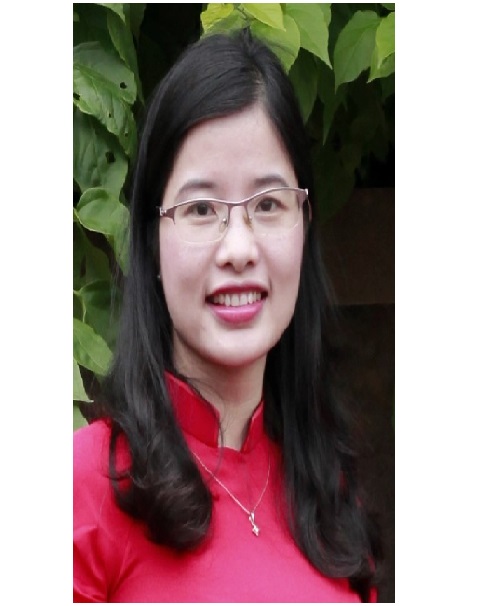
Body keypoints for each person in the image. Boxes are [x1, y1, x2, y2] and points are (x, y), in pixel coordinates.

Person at [73, 29, 381, 602]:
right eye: (201, 208)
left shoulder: (332, 500)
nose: (239, 248)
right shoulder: (82, 488)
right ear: (151, 241)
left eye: (268, 204)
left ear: (305, 225)